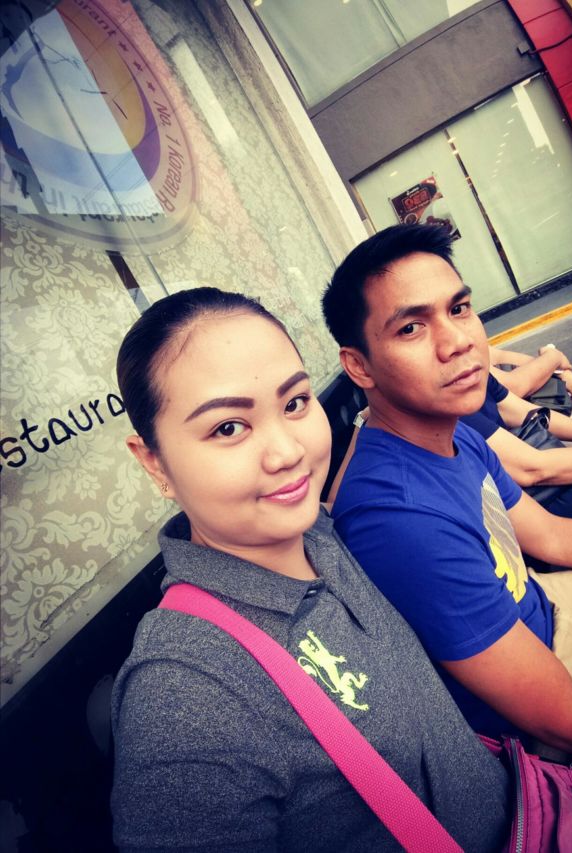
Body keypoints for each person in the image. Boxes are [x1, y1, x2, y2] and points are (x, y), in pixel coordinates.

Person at [110, 287, 510, 852]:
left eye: (295, 403)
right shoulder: (184, 695)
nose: (288, 452)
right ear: (154, 463)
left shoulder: (316, 533)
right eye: (228, 428)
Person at [322, 223, 572, 762]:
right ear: (358, 365)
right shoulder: (397, 519)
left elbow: (553, 538)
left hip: (548, 603)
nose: (458, 342)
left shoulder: (455, 431)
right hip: (549, 679)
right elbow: (563, 718)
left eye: (460, 308)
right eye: (411, 328)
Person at [459, 372, 572, 533]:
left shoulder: (475, 370)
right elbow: (532, 469)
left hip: (532, 468)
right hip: (521, 507)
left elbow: (524, 412)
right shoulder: (454, 407)